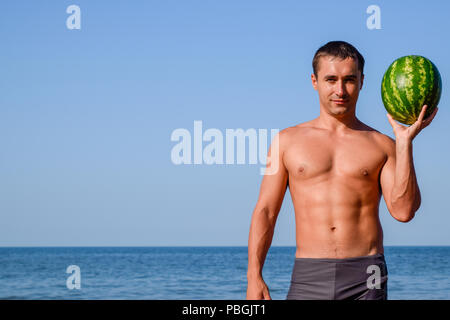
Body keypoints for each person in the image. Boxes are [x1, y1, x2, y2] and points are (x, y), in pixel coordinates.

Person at [246, 41, 438, 300]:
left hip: (367, 275)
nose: (340, 90)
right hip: (308, 274)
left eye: (349, 79)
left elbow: (404, 211)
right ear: (314, 81)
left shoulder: (383, 145)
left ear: (362, 81)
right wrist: (254, 275)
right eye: (330, 79)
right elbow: (266, 211)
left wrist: (405, 144)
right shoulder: (285, 142)